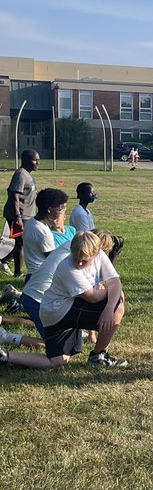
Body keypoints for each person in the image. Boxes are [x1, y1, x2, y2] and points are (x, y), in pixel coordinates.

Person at [0, 231, 127, 371]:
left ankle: (5, 356)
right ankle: (98, 356)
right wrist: (111, 302)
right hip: (58, 312)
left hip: (57, 310)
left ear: (96, 253)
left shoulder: (99, 255)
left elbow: (115, 281)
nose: (79, 262)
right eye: (76, 258)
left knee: (57, 361)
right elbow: (93, 297)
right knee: (117, 305)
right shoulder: (67, 268)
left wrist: (110, 303)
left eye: (84, 260)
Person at [3, 149, 39, 277]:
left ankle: (4, 262)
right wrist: (18, 216)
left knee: (23, 242)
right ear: (26, 160)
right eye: (35, 160)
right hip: (18, 215)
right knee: (21, 243)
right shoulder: (21, 174)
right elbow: (14, 195)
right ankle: (18, 273)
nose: (37, 163)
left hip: (27, 214)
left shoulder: (27, 174)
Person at [71, 183, 125, 262]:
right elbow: (87, 234)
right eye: (90, 193)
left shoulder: (87, 212)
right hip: (84, 242)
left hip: (91, 237)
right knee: (115, 242)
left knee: (117, 240)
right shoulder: (80, 213)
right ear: (81, 195)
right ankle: (109, 264)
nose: (93, 195)